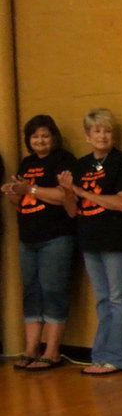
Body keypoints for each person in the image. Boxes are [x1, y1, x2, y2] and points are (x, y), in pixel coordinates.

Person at [59, 108, 122, 376]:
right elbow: (72, 210)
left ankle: (117, 358)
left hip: (116, 239)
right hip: (89, 238)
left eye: (107, 131)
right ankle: (100, 355)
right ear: (88, 135)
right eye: (97, 131)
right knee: (102, 300)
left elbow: (121, 202)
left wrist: (82, 191)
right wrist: (68, 191)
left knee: (118, 298)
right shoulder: (81, 166)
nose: (102, 136)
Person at [1, 114, 76, 369]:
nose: (40, 140)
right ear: (28, 140)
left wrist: (30, 190)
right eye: (35, 136)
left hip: (55, 236)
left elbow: (63, 196)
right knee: (31, 293)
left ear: (53, 137)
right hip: (28, 238)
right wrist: (12, 192)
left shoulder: (63, 160)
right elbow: (20, 203)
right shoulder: (26, 162)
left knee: (53, 291)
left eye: (45, 135)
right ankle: (31, 348)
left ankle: (52, 350)